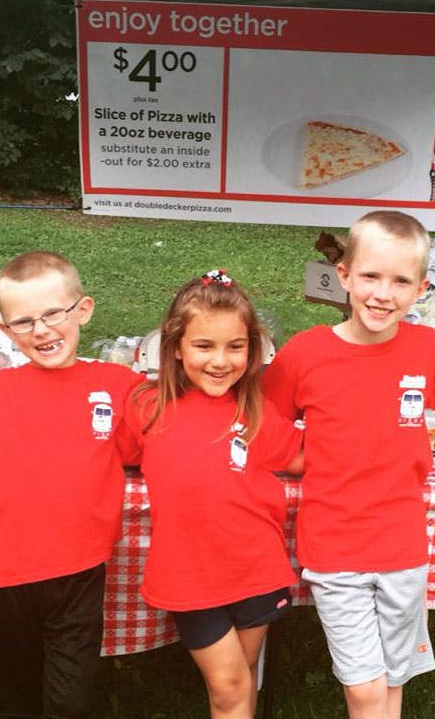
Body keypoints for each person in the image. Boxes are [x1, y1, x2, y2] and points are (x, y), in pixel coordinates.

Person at [263, 211, 435, 719]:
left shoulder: (428, 348)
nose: (382, 293)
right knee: (365, 689)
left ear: (420, 289)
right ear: (343, 275)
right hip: (335, 549)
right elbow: (266, 423)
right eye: (370, 276)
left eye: (400, 281)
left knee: (392, 677)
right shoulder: (305, 354)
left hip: (403, 547)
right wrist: (303, 458)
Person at [0, 251, 142, 719]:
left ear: (82, 310)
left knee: (71, 699)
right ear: (6, 332)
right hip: (2, 572)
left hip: (79, 571)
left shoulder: (119, 384)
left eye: (53, 314)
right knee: (5, 698)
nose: (42, 330)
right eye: (24, 322)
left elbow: (141, 452)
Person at [118, 269, 304, 719]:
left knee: (243, 677)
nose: (221, 361)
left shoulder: (255, 410)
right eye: (204, 346)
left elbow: (303, 458)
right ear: (176, 347)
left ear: (252, 350)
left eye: (235, 347)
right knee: (229, 685)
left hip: (256, 569)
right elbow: (116, 453)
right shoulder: (147, 405)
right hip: (189, 575)